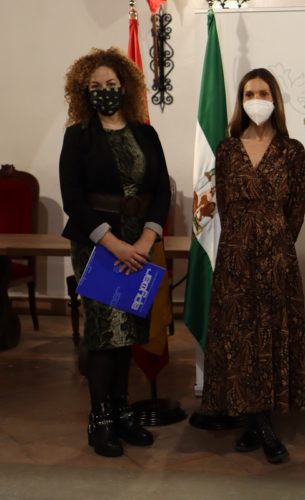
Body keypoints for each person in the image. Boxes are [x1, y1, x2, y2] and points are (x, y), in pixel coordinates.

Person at [59, 47, 171, 457]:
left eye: (110, 85)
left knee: (129, 333)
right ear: (83, 91)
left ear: (124, 86)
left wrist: (144, 240)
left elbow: (160, 191)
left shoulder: (145, 132)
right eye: (95, 87)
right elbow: (73, 198)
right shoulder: (78, 135)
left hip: (139, 244)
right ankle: (100, 420)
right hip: (97, 244)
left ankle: (123, 413)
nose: (104, 92)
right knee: (105, 335)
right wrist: (114, 243)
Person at [199, 68, 305, 464]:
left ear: (275, 98)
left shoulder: (292, 149)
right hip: (235, 255)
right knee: (240, 336)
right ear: (241, 100)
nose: (256, 98)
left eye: (263, 92)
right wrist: (243, 241)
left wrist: (274, 239)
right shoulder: (226, 149)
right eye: (249, 92)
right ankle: (253, 420)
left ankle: (262, 423)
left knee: (270, 334)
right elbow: (225, 206)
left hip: (277, 257)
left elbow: (297, 207)